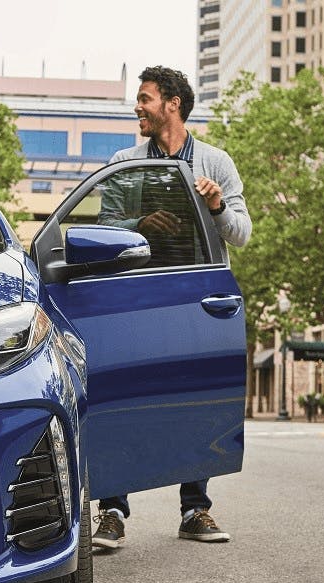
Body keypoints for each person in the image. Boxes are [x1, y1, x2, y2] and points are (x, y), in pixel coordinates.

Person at [91, 66, 252, 549]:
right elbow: (105, 226)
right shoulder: (125, 161)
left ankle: (195, 510)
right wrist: (142, 222)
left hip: (195, 297)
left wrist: (219, 205)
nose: (137, 107)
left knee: (196, 400)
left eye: (144, 99)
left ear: (172, 104)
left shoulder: (216, 162)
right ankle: (113, 512)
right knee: (118, 400)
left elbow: (243, 234)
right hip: (132, 298)